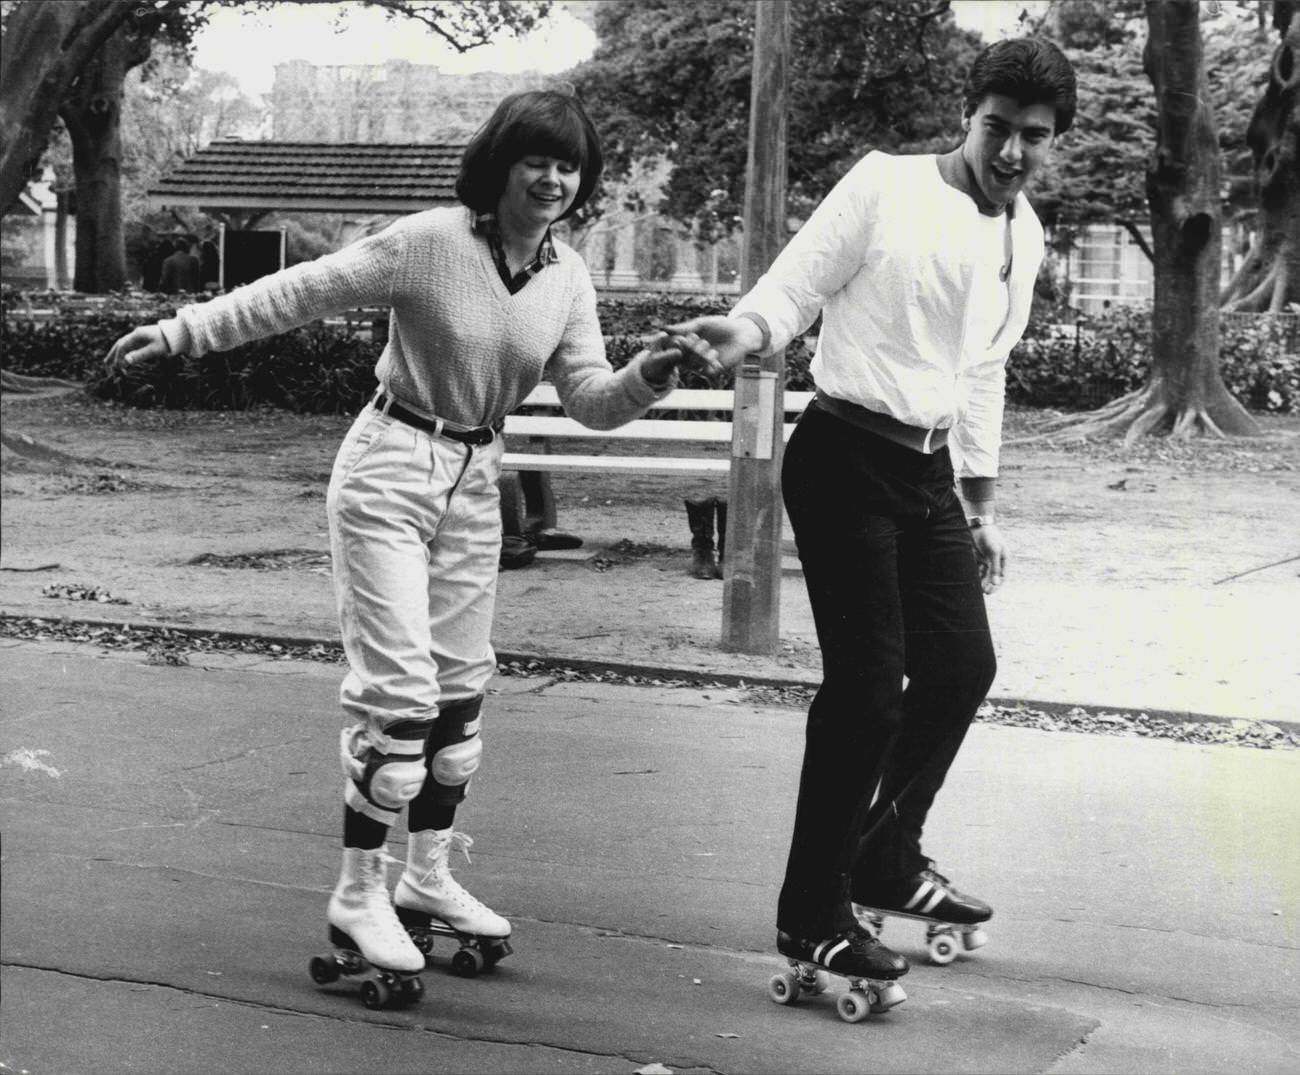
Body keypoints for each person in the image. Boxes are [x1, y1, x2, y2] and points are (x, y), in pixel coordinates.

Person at [104, 89, 717, 990]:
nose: (551, 179)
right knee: (402, 701)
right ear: (501, 164)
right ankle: (359, 892)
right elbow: (303, 289)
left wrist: (650, 372)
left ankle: (425, 879)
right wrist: (182, 330)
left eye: (569, 166)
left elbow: (591, 397)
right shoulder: (432, 242)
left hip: (475, 482)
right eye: (535, 160)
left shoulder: (568, 277)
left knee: (460, 707)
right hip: (391, 463)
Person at [669, 39, 1077, 983]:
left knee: (963, 664)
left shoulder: (1024, 234)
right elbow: (793, 289)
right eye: (997, 129)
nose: (1013, 153)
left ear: (1052, 142)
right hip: (846, 455)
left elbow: (983, 373)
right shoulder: (886, 186)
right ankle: (810, 910)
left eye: (1034, 138)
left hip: (929, 477)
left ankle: (888, 855)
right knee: (866, 688)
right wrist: (741, 333)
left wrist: (981, 503)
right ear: (967, 114)